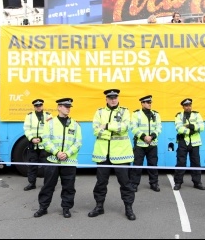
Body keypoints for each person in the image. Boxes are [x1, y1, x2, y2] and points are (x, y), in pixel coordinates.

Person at [88, 89, 136, 221]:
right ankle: (99, 206)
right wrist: (112, 131)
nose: (113, 99)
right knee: (101, 183)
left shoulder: (125, 111)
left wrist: (107, 125)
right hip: (103, 154)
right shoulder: (99, 112)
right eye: (110, 97)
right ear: (106, 99)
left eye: (115, 97)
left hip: (121, 154)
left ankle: (128, 208)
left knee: (125, 183)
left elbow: (125, 127)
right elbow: (95, 131)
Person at [34, 98, 82, 218]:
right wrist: (56, 152)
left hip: (69, 161)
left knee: (69, 187)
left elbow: (78, 142)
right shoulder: (49, 122)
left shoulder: (75, 124)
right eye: (66, 106)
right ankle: (43, 208)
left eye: (69, 107)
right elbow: (45, 140)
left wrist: (67, 153)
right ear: (59, 107)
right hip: (53, 160)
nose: (68, 108)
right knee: (48, 185)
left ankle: (66, 208)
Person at [130, 95, 162, 193]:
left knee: (153, 165)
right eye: (147, 102)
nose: (149, 104)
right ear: (142, 103)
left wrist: (151, 136)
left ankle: (154, 183)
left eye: (150, 102)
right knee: (137, 165)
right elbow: (134, 128)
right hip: (140, 144)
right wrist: (144, 137)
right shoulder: (136, 114)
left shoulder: (156, 114)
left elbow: (159, 127)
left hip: (152, 144)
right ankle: (134, 184)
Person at [173, 98, 205, 191]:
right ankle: (178, 182)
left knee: (196, 163)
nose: (188, 107)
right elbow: (179, 128)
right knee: (181, 163)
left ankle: (197, 182)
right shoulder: (179, 116)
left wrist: (192, 126)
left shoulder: (197, 114)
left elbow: (202, 127)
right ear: (183, 107)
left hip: (195, 143)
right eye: (186, 105)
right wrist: (193, 130)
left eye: (189, 105)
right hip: (183, 141)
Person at [23, 99, 52, 191]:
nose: (38, 107)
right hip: (33, 144)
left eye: (40, 105)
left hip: (44, 145)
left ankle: (48, 185)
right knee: (32, 164)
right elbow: (27, 129)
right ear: (34, 107)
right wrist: (32, 139)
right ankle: (32, 183)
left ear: (42, 106)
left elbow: (51, 129)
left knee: (47, 166)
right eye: (37, 106)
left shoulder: (48, 115)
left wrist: (41, 138)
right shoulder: (29, 116)